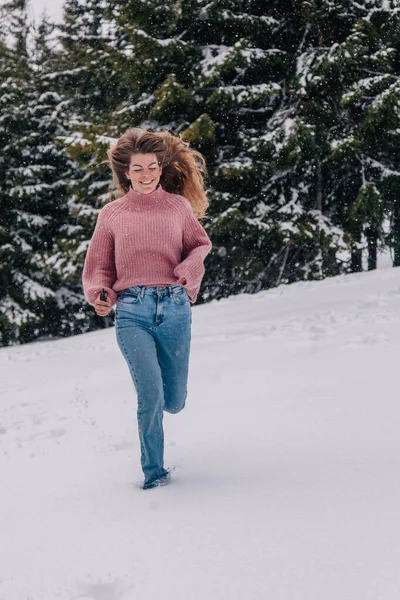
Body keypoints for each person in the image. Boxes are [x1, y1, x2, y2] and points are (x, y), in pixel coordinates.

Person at [82, 128, 212, 490]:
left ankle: (167, 421)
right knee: (150, 394)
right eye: (137, 168)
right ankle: (153, 474)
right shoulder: (111, 214)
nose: (146, 174)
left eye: (151, 167)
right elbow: (99, 268)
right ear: (126, 172)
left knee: (174, 400)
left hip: (173, 308)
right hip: (132, 312)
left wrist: (188, 271)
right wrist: (101, 294)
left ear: (159, 168)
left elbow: (200, 246)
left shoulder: (177, 207)